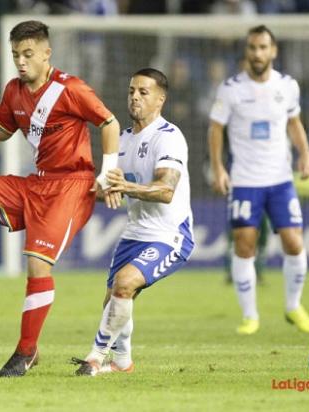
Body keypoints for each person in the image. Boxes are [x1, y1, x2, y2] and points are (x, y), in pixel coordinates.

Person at [0, 20, 120, 377]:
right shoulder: (14, 91)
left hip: (71, 186)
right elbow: (3, 130)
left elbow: (109, 123)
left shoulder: (71, 89)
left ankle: (26, 352)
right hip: (37, 183)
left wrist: (107, 172)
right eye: (15, 55)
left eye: (27, 54)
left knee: (37, 265)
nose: (21, 62)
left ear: (46, 53)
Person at [71, 68, 194, 376]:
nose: (135, 97)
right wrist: (71, 189)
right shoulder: (123, 139)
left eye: (143, 92)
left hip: (169, 235)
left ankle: (95, 357)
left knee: (124, 285)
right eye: (131, 91)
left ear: (160, 100)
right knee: (112, 301)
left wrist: (125, 187)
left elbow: (166, 190)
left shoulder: (169, 138)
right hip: (134, 233)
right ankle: (123, 362)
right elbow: (105, 188)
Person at [208, 25, 309, 335]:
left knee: (294, 242)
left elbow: (294, 122)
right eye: (252, 47)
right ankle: (250, 315)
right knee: (245, 244)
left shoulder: (288, 86)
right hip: (244, 181)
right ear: (247, 50)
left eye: (262, 47)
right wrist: (218, 168)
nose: (257, 53)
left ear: (273, 50)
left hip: (280, 180)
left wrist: (305, 154)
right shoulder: (230, 89)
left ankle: (293, 306)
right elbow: (215, 129)